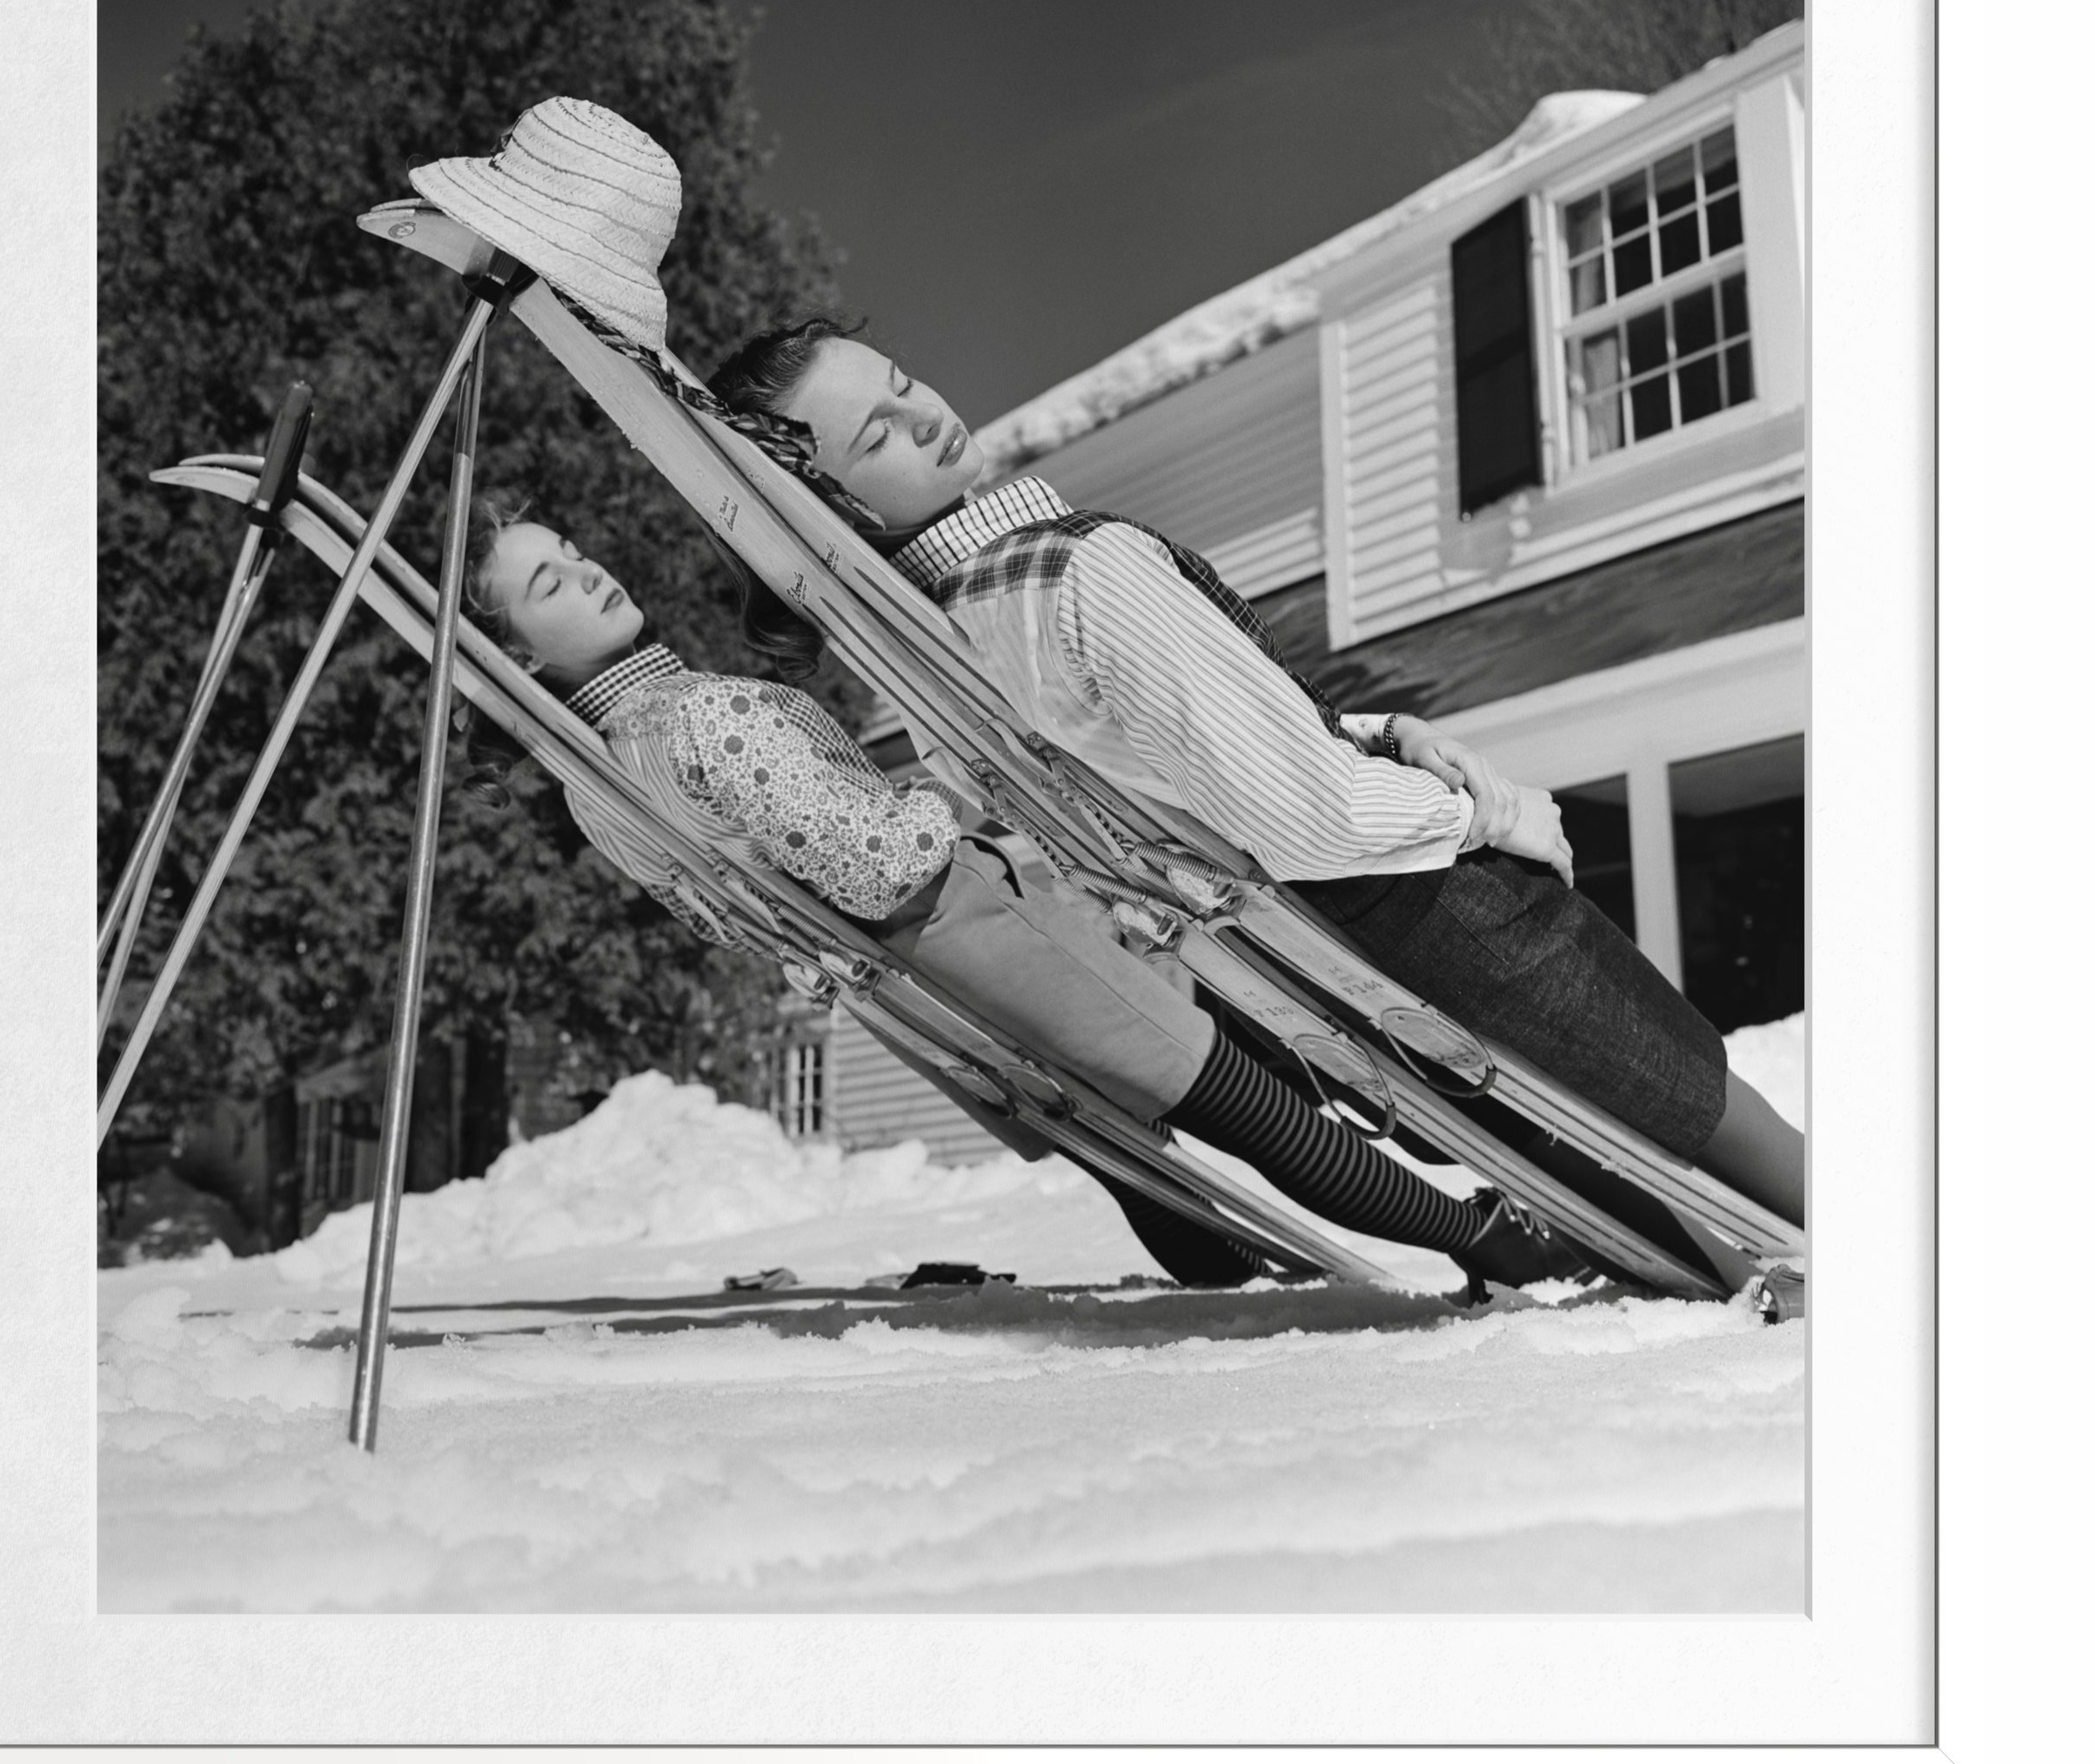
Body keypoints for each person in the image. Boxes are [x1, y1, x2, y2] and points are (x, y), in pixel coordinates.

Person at [699, 317, 1805, 1239]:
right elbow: (1308, 814)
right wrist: (1485, 814)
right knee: (1701, 1110)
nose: (927, 415)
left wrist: (1374, 727)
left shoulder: (942, 648)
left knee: (1625, 1187)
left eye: (902, 383)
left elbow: (1173, 765)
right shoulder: (1078, 572)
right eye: (877, 433)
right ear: (833, 507)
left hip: (1305, 961)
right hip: (1414, 904)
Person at [457, 511, 1578, 1299]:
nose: (591, 572)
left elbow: (721, 912)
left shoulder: (600, 784)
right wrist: (959, 808)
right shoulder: (701, 719)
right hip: (958, 920)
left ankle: (1222, 1267)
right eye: (550, 584)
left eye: (574, 552)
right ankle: (1483, 1236)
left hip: (898, 983)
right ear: (516, 653)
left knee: (1123, 1114)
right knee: (1230, 1090)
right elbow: (877, 862)